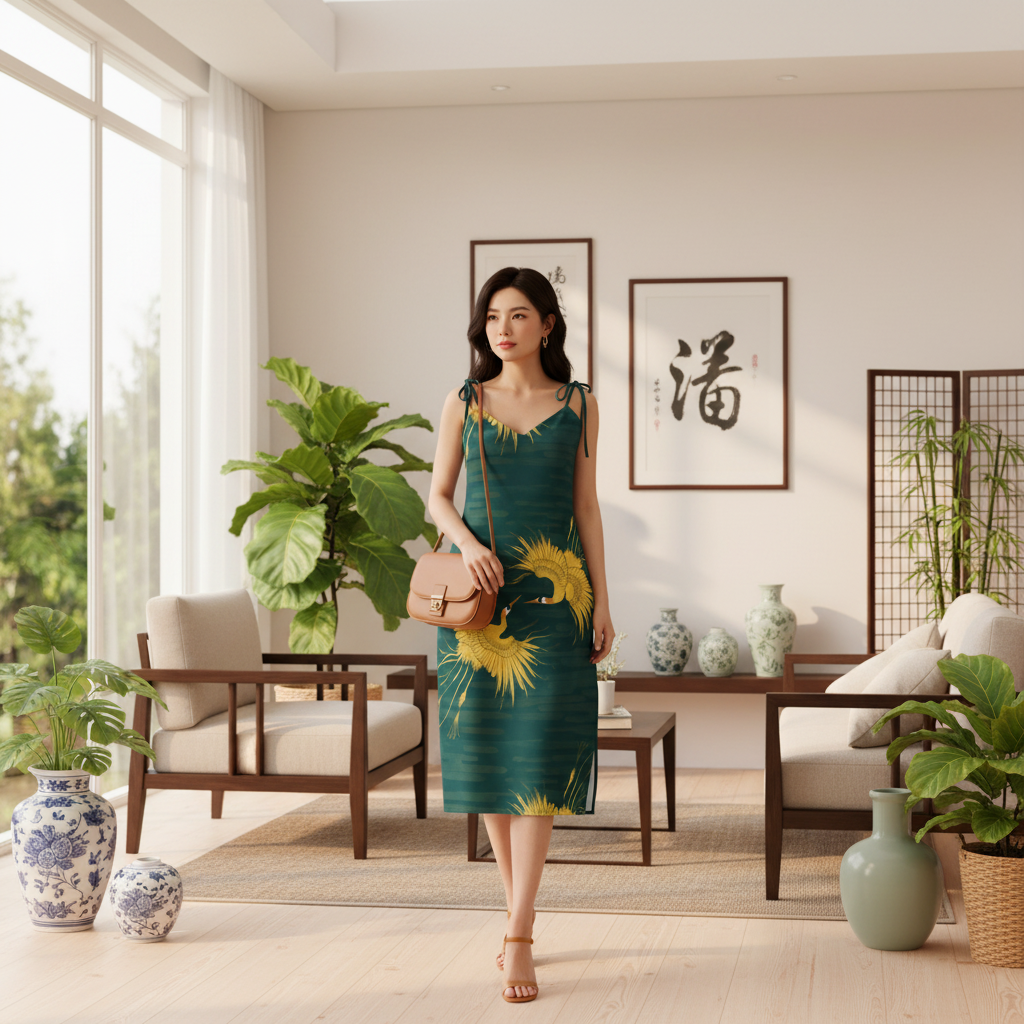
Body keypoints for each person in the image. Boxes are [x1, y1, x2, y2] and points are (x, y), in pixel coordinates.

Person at [427, 266, 615, 1004]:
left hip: (556, 600)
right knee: (496, 772)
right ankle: (517, 920)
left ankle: (518, 933)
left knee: (536, 766)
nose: (504, 328)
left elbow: (588, 509)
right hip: (478, 604)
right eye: (493, 317)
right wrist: (467, 545)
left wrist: (602, 601)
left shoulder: (579, 404)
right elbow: (438, 496)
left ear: (547, 326)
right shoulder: (464, 402)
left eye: (520, 315)